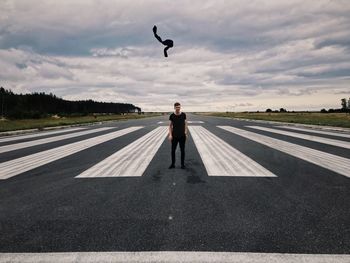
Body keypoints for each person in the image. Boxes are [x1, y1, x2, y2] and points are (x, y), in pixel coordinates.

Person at [168, 102, 188, 169]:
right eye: (177, 107)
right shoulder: (172, 116)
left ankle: (182, 164)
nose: (178, 108)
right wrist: (170, 135)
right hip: (174, 136)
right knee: (173, 150)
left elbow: (185, 124)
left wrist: (185, 132)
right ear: (174, 107)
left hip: (182, 135)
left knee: (182, 150)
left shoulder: (183, 115)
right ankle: (173, 164)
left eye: (179, 107)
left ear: (180, 107)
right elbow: (170, 126)